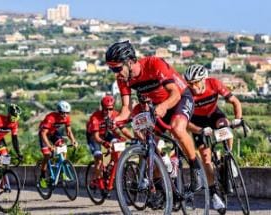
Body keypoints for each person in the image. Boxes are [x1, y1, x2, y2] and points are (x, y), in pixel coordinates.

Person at [105, 40, 202, 191]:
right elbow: (126, 109)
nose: (116, 74)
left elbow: (175, 94)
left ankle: (196, 168)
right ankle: (163, 192)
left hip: (179, 98)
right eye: (112, 70)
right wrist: (115, 120)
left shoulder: (153, 64)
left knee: (177, 129)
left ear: (129, 62)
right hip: (157, 106)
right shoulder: (123, 79)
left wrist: (163, 106)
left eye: (117, 68)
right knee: (149, 145)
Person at [184, 64, 242, 211]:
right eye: (190, 83)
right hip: (197, 121)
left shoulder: (214, 83)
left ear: (204, 79)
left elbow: (235, 102)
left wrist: (237, 119)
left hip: (214, 114)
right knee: (205, 158)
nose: (193, 86)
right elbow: (184, 122)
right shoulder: (186, 93)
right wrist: (200, 130)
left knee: (224, 124)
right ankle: (214, 194)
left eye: (196, 82)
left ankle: (228, 155)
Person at [86, 95, 133, 189]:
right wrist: (105, 144)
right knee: (98, 157)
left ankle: (111, 165)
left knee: (117, 145)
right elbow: (96, 137)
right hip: (94, 136)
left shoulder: (115, 115)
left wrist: (133, 139)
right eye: (106, 109)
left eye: (110, 109)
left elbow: (123, 130)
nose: (108, 112)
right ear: (102, 108)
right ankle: (99, 182)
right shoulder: (95, 117)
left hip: (106, 134)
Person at [38, 100, 78, 188]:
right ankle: (42, 177)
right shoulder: (50, 118)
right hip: (44, 134)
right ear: (58, 112)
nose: (65, 115)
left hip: (53, 133)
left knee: (63, 147)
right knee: (47, 155)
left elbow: (69, 131)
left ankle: (62, 171)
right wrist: (49, 146)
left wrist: (73, 141)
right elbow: (43, 133)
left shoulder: (67, 118)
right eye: (63, 113)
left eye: (67, 113)